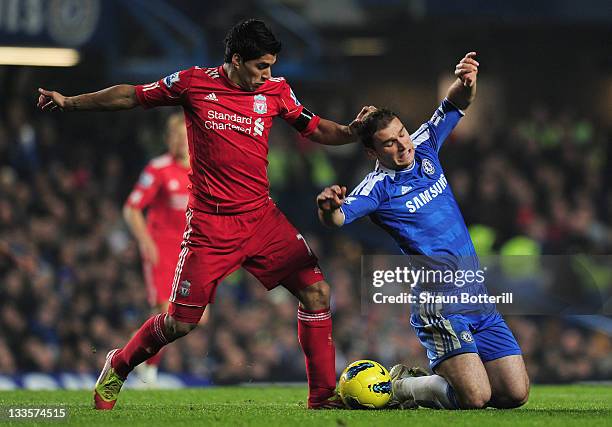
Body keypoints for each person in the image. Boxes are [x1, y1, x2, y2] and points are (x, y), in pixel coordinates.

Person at [38, 19, 372, 410]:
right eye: (261, 66)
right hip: (210, 226)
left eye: (271, 66)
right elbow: (131, 95)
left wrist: (352, 132)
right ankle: (119, 364)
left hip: (262, 218)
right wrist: (71, 101)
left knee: (317, 292)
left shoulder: (276, 91)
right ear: (235, 59)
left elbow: (314, 128)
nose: (268, 74)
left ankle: (321, 396)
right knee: (180, 323)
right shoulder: (193, 83)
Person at [316, 52, 530, 410]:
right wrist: (328, 209)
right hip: (440, 305)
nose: (403, 145)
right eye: (390, 143)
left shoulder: (426, 144)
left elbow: (452, 105)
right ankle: (402, 385)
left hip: (476, 295)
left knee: (515, 394)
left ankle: (444, 378)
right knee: (476, 398)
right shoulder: (377, 189)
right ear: (372, 152)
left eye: (402, 134)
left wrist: (466, 82)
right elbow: (339, 219)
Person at [123, 112, 200, 386]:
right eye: (176, 136)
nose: (181, 142)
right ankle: (145, 370)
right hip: (161, 250)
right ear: (168, 139)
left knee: (193, 319)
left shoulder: (202, 171)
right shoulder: (157, 169)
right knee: (163, 311)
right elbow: (132, 208)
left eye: (185, 136)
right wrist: (145, 242)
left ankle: (132, 353)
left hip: (191, 253)